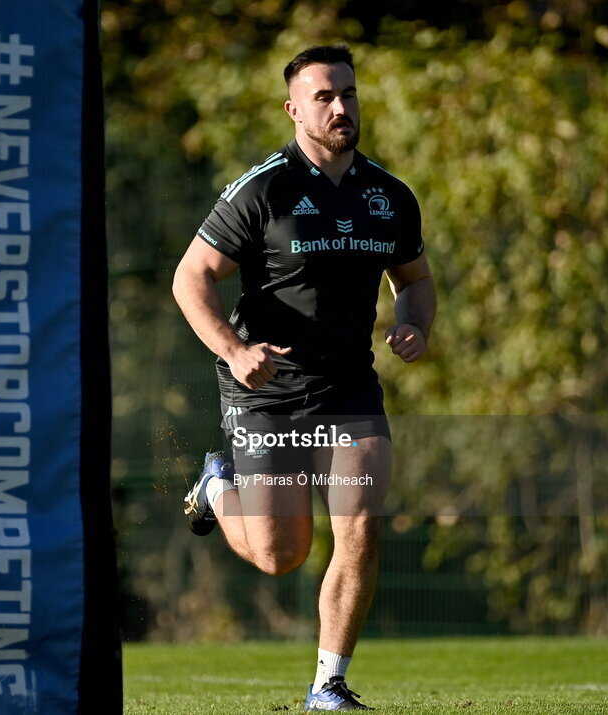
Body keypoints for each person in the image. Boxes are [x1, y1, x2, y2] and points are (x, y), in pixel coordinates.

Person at [172, 44, 435, 711]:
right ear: (294, 108)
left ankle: (329, 684)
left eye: (348, 93)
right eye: (324, 96)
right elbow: (191, 277)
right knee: (281, 553)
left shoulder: (389, 196)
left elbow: (416, 279)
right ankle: (219, 484)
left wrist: (415, 323)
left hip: (350, 386)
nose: (342, 106)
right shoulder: (263, 190)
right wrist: (234, 351)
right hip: (270, 394)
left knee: (362, 527)